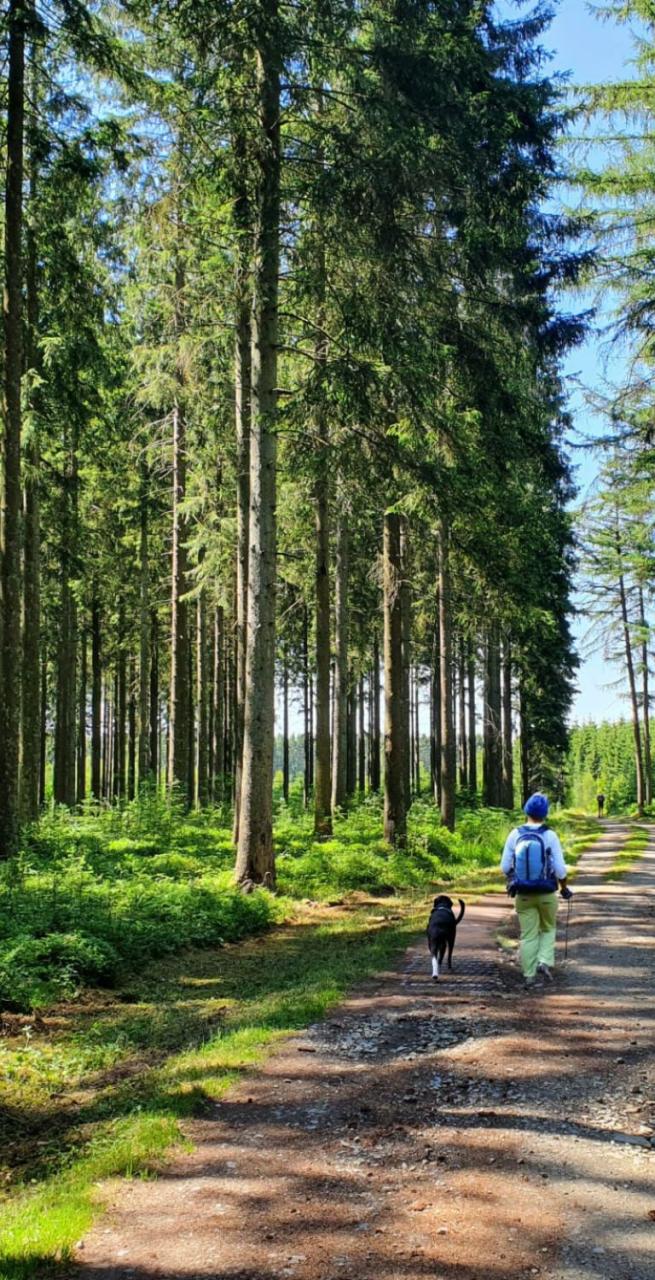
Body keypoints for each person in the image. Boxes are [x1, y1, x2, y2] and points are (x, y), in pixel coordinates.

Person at [501, 792, 572, 989]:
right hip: (547, 893)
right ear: (545, 813)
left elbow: (505, 867)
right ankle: (544, 961)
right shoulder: (550, 835)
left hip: (523, 894)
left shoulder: (515, 834)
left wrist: (516, 878)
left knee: (528, 935)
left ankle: (529, 976)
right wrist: (564, 888)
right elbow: (560, 870)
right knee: (548, 928)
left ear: (526, 811)